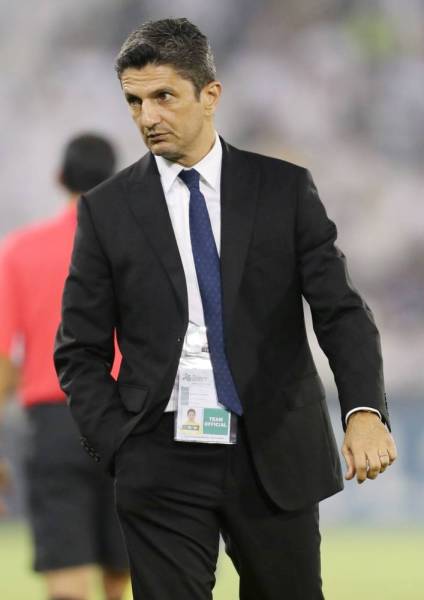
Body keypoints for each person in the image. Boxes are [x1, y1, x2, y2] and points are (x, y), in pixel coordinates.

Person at [54, 18, 398, 600]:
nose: (147, 117)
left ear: (210, 94)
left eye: (164, 96)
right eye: (134, 101)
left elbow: (340, 311)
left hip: (272, 452)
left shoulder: (285, 190)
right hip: (158, 456)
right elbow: (79, 350)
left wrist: (364, 409)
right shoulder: (106, 211)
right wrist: (121, 442)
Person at [0, 134, 129, 600]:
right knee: (126, 573)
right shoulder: (135, 248)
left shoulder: (20, 250)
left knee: (67, 578)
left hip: (55, 421)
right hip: (126, 417)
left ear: (59, 178)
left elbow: (3, 360)